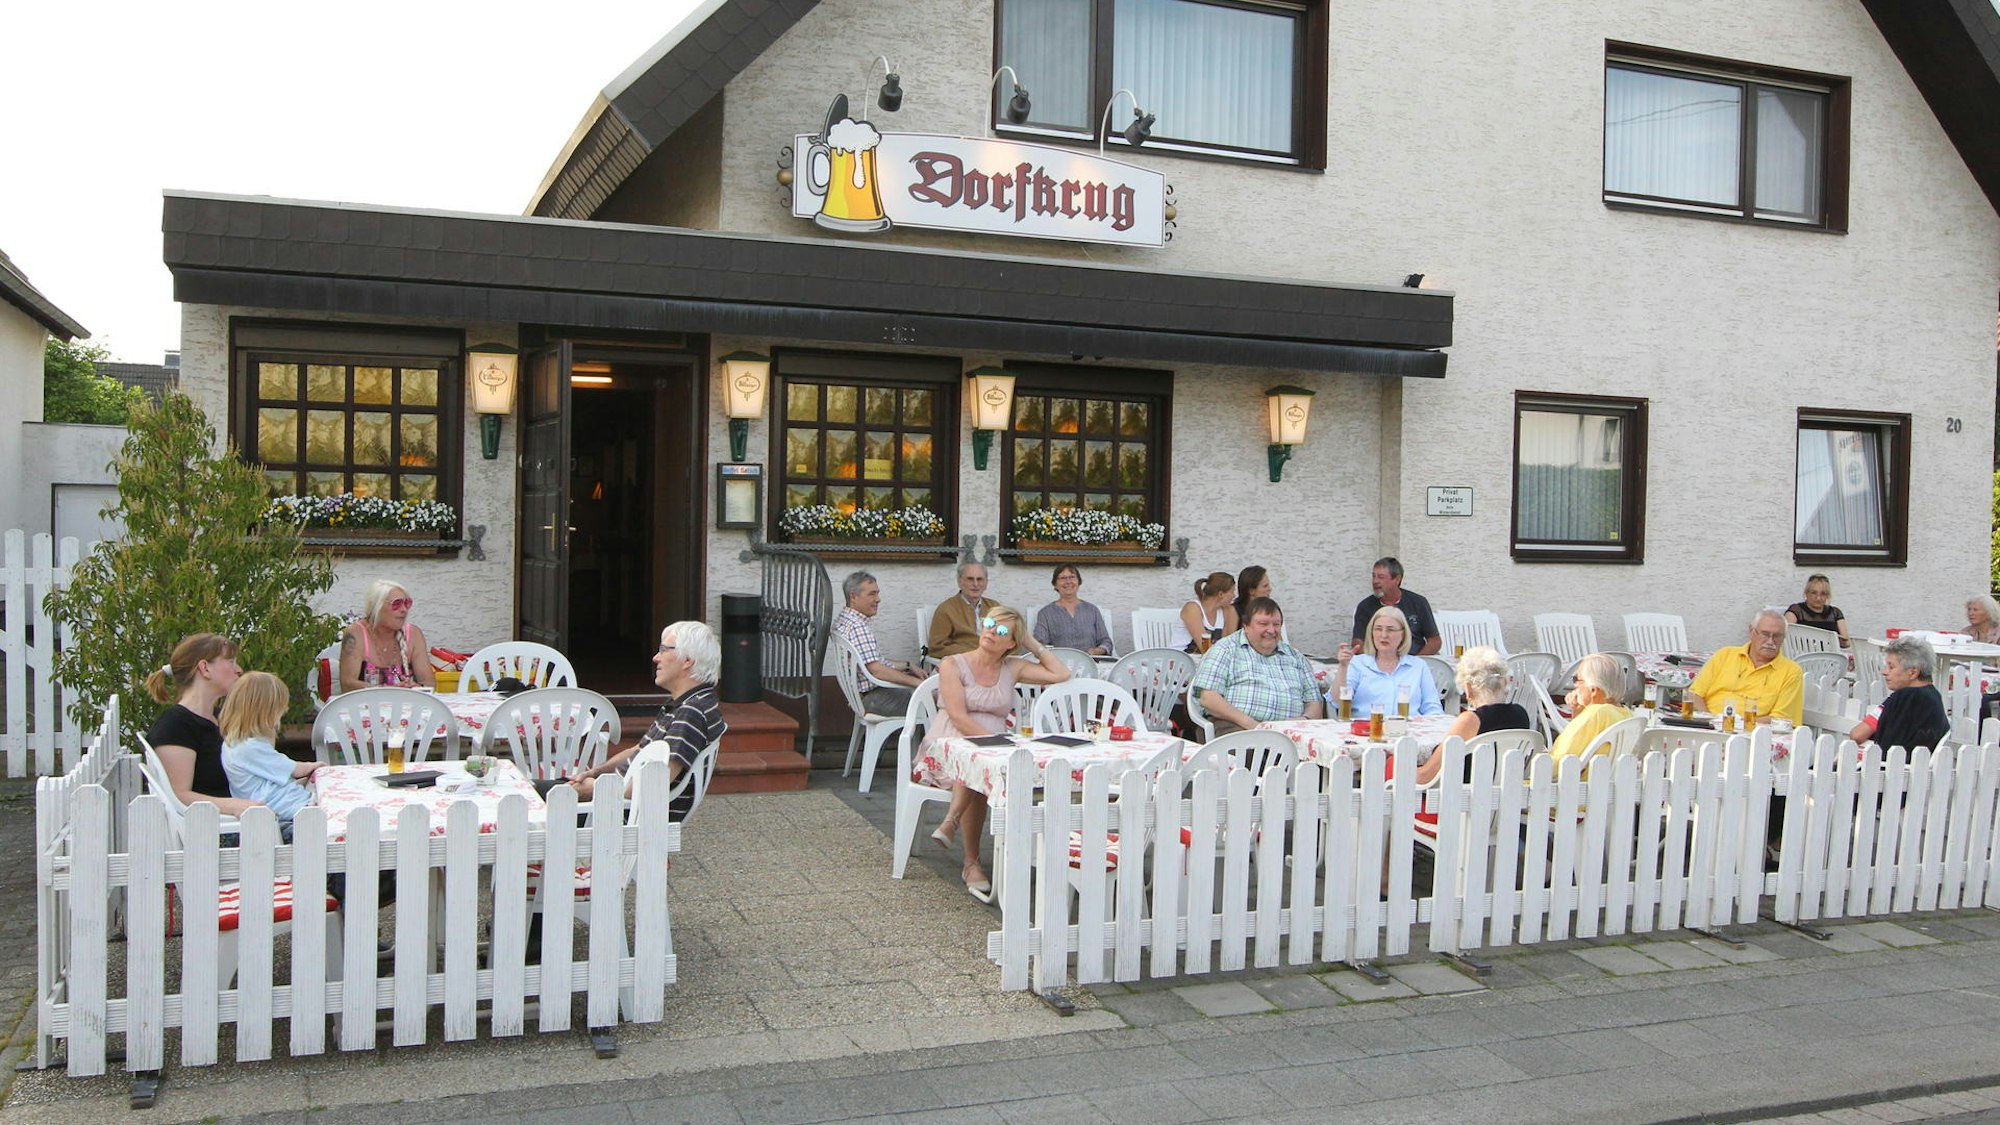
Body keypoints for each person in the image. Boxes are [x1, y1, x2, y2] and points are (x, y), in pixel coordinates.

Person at [919, 607, 1071, 896]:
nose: (991, 631)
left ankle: (952, 824)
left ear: (1012, 643)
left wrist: (1031, 642)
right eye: (989, 624)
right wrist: (993, 745)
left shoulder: (1013, 667)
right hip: (949, 741)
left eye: (1002, 631)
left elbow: (1061, 673)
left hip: (991, 746)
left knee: (980, 767)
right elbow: (958, 716)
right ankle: (970, 861)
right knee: (976, 766)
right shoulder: (953, 664)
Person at [562, 621, 727, 821]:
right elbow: (637, 750)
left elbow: (655, 782)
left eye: (664, 650)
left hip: (622, 813)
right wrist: (596, 773)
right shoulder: (688, 703)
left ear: (687, 660)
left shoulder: (692, 712)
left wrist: (593, 790)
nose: (656, 658)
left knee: (526, 798)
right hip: (614, 798)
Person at [143, 633, 260, 817]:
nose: (239, 669)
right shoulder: (175, 725)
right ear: (205, 668)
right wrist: (236, 806)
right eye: (230, 661)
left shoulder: (219, 718)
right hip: (213, 832)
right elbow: (177, 795)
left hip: (247, 822)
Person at [1191, 598, 1324, 737]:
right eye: (1263, 624)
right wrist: (1253, 725)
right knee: (1263, 752)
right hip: (1236, 727)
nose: (1271, 630)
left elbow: (1314, 702)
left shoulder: (1296, 657)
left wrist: (1304, 720)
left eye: (1276, 624)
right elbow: (1208, 698)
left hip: (1290, 732)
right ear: (1246, 626)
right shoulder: (1225, 650)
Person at [218, 672, 324, 840]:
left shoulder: (235, 744)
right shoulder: (249, 748)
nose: (283, 712)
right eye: (279, 710)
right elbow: (295, 769)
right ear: (265, 712)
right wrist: (314, 766)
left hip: (280, 808)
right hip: (286, 813)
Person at [1420, 646, 1531, 786]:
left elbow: (1427, 775)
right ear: (1504, 682)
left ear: (1468, 688)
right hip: (1506, 799)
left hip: (1461, 801)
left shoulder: (1471, 720)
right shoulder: (1521, 714)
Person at [833, 570, 928, 716]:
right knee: (932, 701)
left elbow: (873, 662)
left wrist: (908, 665)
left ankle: (913, 738)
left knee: (926, 695)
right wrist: (918, 684)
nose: (878, 599)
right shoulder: (857, 626)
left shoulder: (845, 619)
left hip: (861, 698)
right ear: (853, 596)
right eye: (872, 594)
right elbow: (877, 670)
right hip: (874, 698)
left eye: (877, 593)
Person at [1331, 606, 1444, 721]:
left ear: (1403, 634)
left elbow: (1432, 707)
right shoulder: (1357, 664)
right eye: (1378, 629)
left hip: (1410, 731)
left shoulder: (1418, 666)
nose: (1383, 635)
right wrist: (1343, 667)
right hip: (1367, 730)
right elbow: (1338, 702)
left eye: (1390, 630)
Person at [1690, 610, 1803, 724]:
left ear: (1784, 638)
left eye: (1777, 636)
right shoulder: (1725, 655)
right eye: (1765, 634)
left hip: (1753, 733)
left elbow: (1780, 719)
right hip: (1709, 724)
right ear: (1751, 631)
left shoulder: (1791, 671)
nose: (1770, 641)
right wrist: (1710, 721)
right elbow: (1695, 694)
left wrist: (1737, 724)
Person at [1849, 634, 1949, 753]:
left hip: (1886, 767)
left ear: (1913, 672)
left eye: (1891, 667)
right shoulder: (1934, 695)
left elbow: (1857, 735)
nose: (1884, 672)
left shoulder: (1904, 697)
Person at [339, 579, 435, 691]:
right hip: (367, 705)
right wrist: (388, 690)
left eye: (407, 603)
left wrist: (416, 687)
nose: (404, 610)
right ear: (377, 607)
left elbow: (429, 683)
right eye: (397, 604)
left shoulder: (413, 634)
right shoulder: (356, 633)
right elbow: (347, 684)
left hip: (406, 705)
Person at [1547, 653, 1633, 767]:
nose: (1576, 685)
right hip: (1607, 779)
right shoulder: (1627, 713)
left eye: (1577, 679)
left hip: (1574, 781)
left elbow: (1562, 758)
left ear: (1593, 690)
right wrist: (1578, 712)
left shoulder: (1596, 713)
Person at [1348, 557, 1440, 656]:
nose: (1375, 581)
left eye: (1381, 577)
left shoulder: (1418, 602)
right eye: (1374, 576)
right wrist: (1371, 662)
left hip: (1413, 659)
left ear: (1397, 579)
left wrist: (1417, 662)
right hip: (1378, 663)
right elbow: (1358, 642)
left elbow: (1434, 641)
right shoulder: (1365, 606)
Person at [1032, 563, 1114, 656]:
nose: (1068, 581)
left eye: (1072, 577)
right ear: (1055, 584)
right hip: (1059, 665)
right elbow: (1039, 645)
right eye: (1062, 578)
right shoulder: (1045, 613)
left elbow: (1106, 642)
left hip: (1091, 663)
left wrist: (1096, 651)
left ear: (1079, 582)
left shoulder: (1092, 610)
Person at [926, 562, 999, 659]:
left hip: (997, 662)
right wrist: (976, 653)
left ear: (986, 583)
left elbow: (1010, 636)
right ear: (959, 581)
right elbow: (937, 648)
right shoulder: (946, 609)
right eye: (970, 579)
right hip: (964, 665)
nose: (975, 584)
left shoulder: (995, 607)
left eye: (980, 579)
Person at [1170, 572, 1236, 655]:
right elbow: (1204, 647)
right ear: (1221, 594)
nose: (1234, 595)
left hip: (1208, 662)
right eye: (1232, 591)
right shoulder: (1192, 608)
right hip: (1182, 660)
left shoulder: (1226, 611)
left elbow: (1228, 645)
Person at [1784, 574, 1850, 647]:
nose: (1818, 598)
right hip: (1803, 654)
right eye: (1814, 593)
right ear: (1806, 593)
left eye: (1823, 594)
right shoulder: (1796, 610)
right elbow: (1785, 633)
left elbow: (1847, 642)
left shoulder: (1835, 613)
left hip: (1830, 654)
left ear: (1827, 595)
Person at [1231, 566, 1271, 637]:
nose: (1270, 589)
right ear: (1251, 591)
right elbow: (1230, 641)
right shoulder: (1234, 611)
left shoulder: (1269, 610)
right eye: (1265, 586)